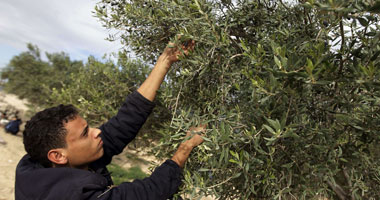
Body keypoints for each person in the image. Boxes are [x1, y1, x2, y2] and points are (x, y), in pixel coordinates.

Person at [15, 39, 204, 200]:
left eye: (89, 128)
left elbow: (122, 124)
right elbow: (149, 192)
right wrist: (185, 148)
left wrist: (165, 61)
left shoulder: (39, 163)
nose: (97, 132)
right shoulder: (73, 195)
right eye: (85, 134)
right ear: (58, 156)